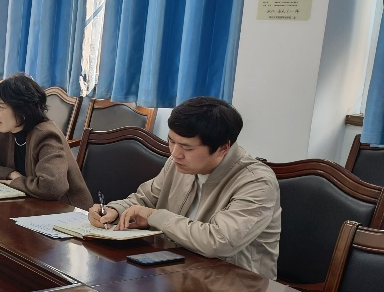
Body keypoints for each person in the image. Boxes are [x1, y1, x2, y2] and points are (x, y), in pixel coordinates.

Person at [87, 96, 281, 280]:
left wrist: (154, 216)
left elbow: (219, 241)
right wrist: (114, 210)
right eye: (172, 141)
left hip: (236, 286)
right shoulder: (179, 164)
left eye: (187, 148)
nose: (175, 153)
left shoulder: (257, 183)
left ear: (223, 148)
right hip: (179, 272)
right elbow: (144, 199)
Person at [0, 74, 91, 206]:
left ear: (23, 109)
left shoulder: (45, 135)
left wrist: (17, 183)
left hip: (65, 209)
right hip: (29, 204)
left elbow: (53, 186)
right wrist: (10, 174)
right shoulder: (1, 131)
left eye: (1, 107)